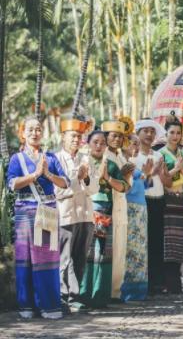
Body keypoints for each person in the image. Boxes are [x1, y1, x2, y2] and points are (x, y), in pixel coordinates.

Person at [6, 116, 69, 319]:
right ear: (23, 133)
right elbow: (12, 184)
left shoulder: (50, 158)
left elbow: (65, 183)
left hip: (47, 211)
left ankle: (49, 305)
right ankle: (27, 306)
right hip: (25, 212)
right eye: (31, 129)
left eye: (38, 129)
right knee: (25, 260)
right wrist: (34, 175)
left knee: (47, 260)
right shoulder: (17, 159)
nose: (35, 133)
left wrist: (48, 174)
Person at [80, 127, 129, 308]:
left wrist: (108, 178)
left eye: (102, 142)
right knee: (85, 252)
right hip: (84, 212)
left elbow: (125, 187)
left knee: (101, 252)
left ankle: (100, 296)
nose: (99, 146)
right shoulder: (81, 162)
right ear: (88, 144)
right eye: (95, 142)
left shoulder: (111, 164)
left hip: (104, 213)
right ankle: (82, 295)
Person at [55, 117, 99, 311]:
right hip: (65, 215)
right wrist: (77, 179)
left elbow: (94, 189)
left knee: (80, 258)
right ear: (63, 137)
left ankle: (75, 296)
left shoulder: (85, 159)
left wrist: (87, 177)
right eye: (72, 135)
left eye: (79, 136)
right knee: (64, 260)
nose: (76, 139)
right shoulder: (55, 159)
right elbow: (58, 191)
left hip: (86, 216)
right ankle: (63, 297)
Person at [159, 112, 183, 294]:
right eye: (172, 133)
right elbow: (161, 179)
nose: (175, 136)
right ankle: (168, 282)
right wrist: (176, 169)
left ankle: (176, 284)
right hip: (166, 203)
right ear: (165, 135)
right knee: (166, 243)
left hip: (182, 204)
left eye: (178, 133)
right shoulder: (159, 155)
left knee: (179, 244)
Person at [133, 118, 171, 294]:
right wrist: (150, 174)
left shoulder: (158, 156)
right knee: (144, 242)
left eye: (152, 131)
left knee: (157, 242)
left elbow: (167, 182)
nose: (149, 135)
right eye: (145, 131)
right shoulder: (134, 158)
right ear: (138, 134)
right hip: (143, 201)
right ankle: (144, 281)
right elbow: (142, 185)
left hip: (159, 200)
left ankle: (157, 281)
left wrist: (162, 172)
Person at [120, 134, 154, 301]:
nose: (136, 147)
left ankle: (138, 288)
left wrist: (147, 174)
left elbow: (146, 185)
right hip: (129, 208)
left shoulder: (134, 165)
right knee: (129, 249)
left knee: (139, 249)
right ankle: (127, 289)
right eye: (133, 143)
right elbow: (125, 186)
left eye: (138, 144)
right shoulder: (123, 164)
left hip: (141, 208)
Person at [103, 117, 133, 300]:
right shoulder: (105, 156)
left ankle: (116, 290)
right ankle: (107, 290)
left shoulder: (121, 156)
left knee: (121, 248)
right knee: (110, 248)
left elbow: (127, 183)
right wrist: (122, 178)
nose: (117, 140)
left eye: (120, 137)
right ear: (106, 137)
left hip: (122, 202)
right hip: (109, 203)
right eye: (113, 136)